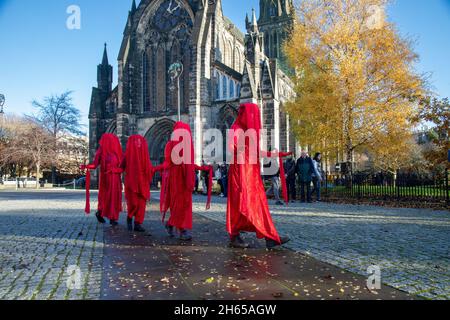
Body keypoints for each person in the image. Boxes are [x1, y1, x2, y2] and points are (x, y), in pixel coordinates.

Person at [226, 103, 291, 249]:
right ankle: (235, 236)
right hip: (240, 173)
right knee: (241, 204)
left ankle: (269, 236)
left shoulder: (246, 131)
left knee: (258, 204)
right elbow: (232, 148)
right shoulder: (236, 128)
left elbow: (258, 152)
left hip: (251, 174)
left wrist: (278, 154)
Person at [154, 122, 213, 241]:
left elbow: (189, 163)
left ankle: (171, 224)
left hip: (186, 179)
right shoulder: (170, 146)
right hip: (176, 180)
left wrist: (202, 168)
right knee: (178, 205)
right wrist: (155, 168)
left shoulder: (185, 146)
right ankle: (181, 230)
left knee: (184, 205)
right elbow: (168, 163)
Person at [81, 133, 123, 226]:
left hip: (115, 179)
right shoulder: (101, 151)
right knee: (106, 198)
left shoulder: (117, 153)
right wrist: (86, 166)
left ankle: (113, 218)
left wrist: (115, 170)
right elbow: (95, 164)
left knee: (115, 198)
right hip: (106, 180)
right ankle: (100, 213)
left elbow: (122, 167)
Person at [120, 135, 154, 232]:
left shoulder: (144, 154)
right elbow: (122, 166)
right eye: (136, 142)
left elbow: (149, 167)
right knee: (133, 203)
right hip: (132, 182)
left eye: (139, 142)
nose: (138, 144)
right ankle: (130, 218)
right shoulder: (127, 154)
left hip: (142, 182)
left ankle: (138, 223)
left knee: (141, 204)